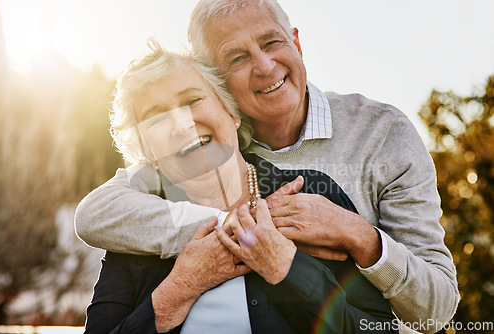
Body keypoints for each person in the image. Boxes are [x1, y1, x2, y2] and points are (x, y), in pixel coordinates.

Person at [76, 0, 458, 331]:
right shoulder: (185, 164)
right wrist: (230, 231)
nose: (264, 65)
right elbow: (95, 213)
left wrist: (357, 235)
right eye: (237, 57)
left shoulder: (378, 137)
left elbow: (434, 311)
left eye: (272, 42)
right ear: (222, 88)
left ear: (296, 42)